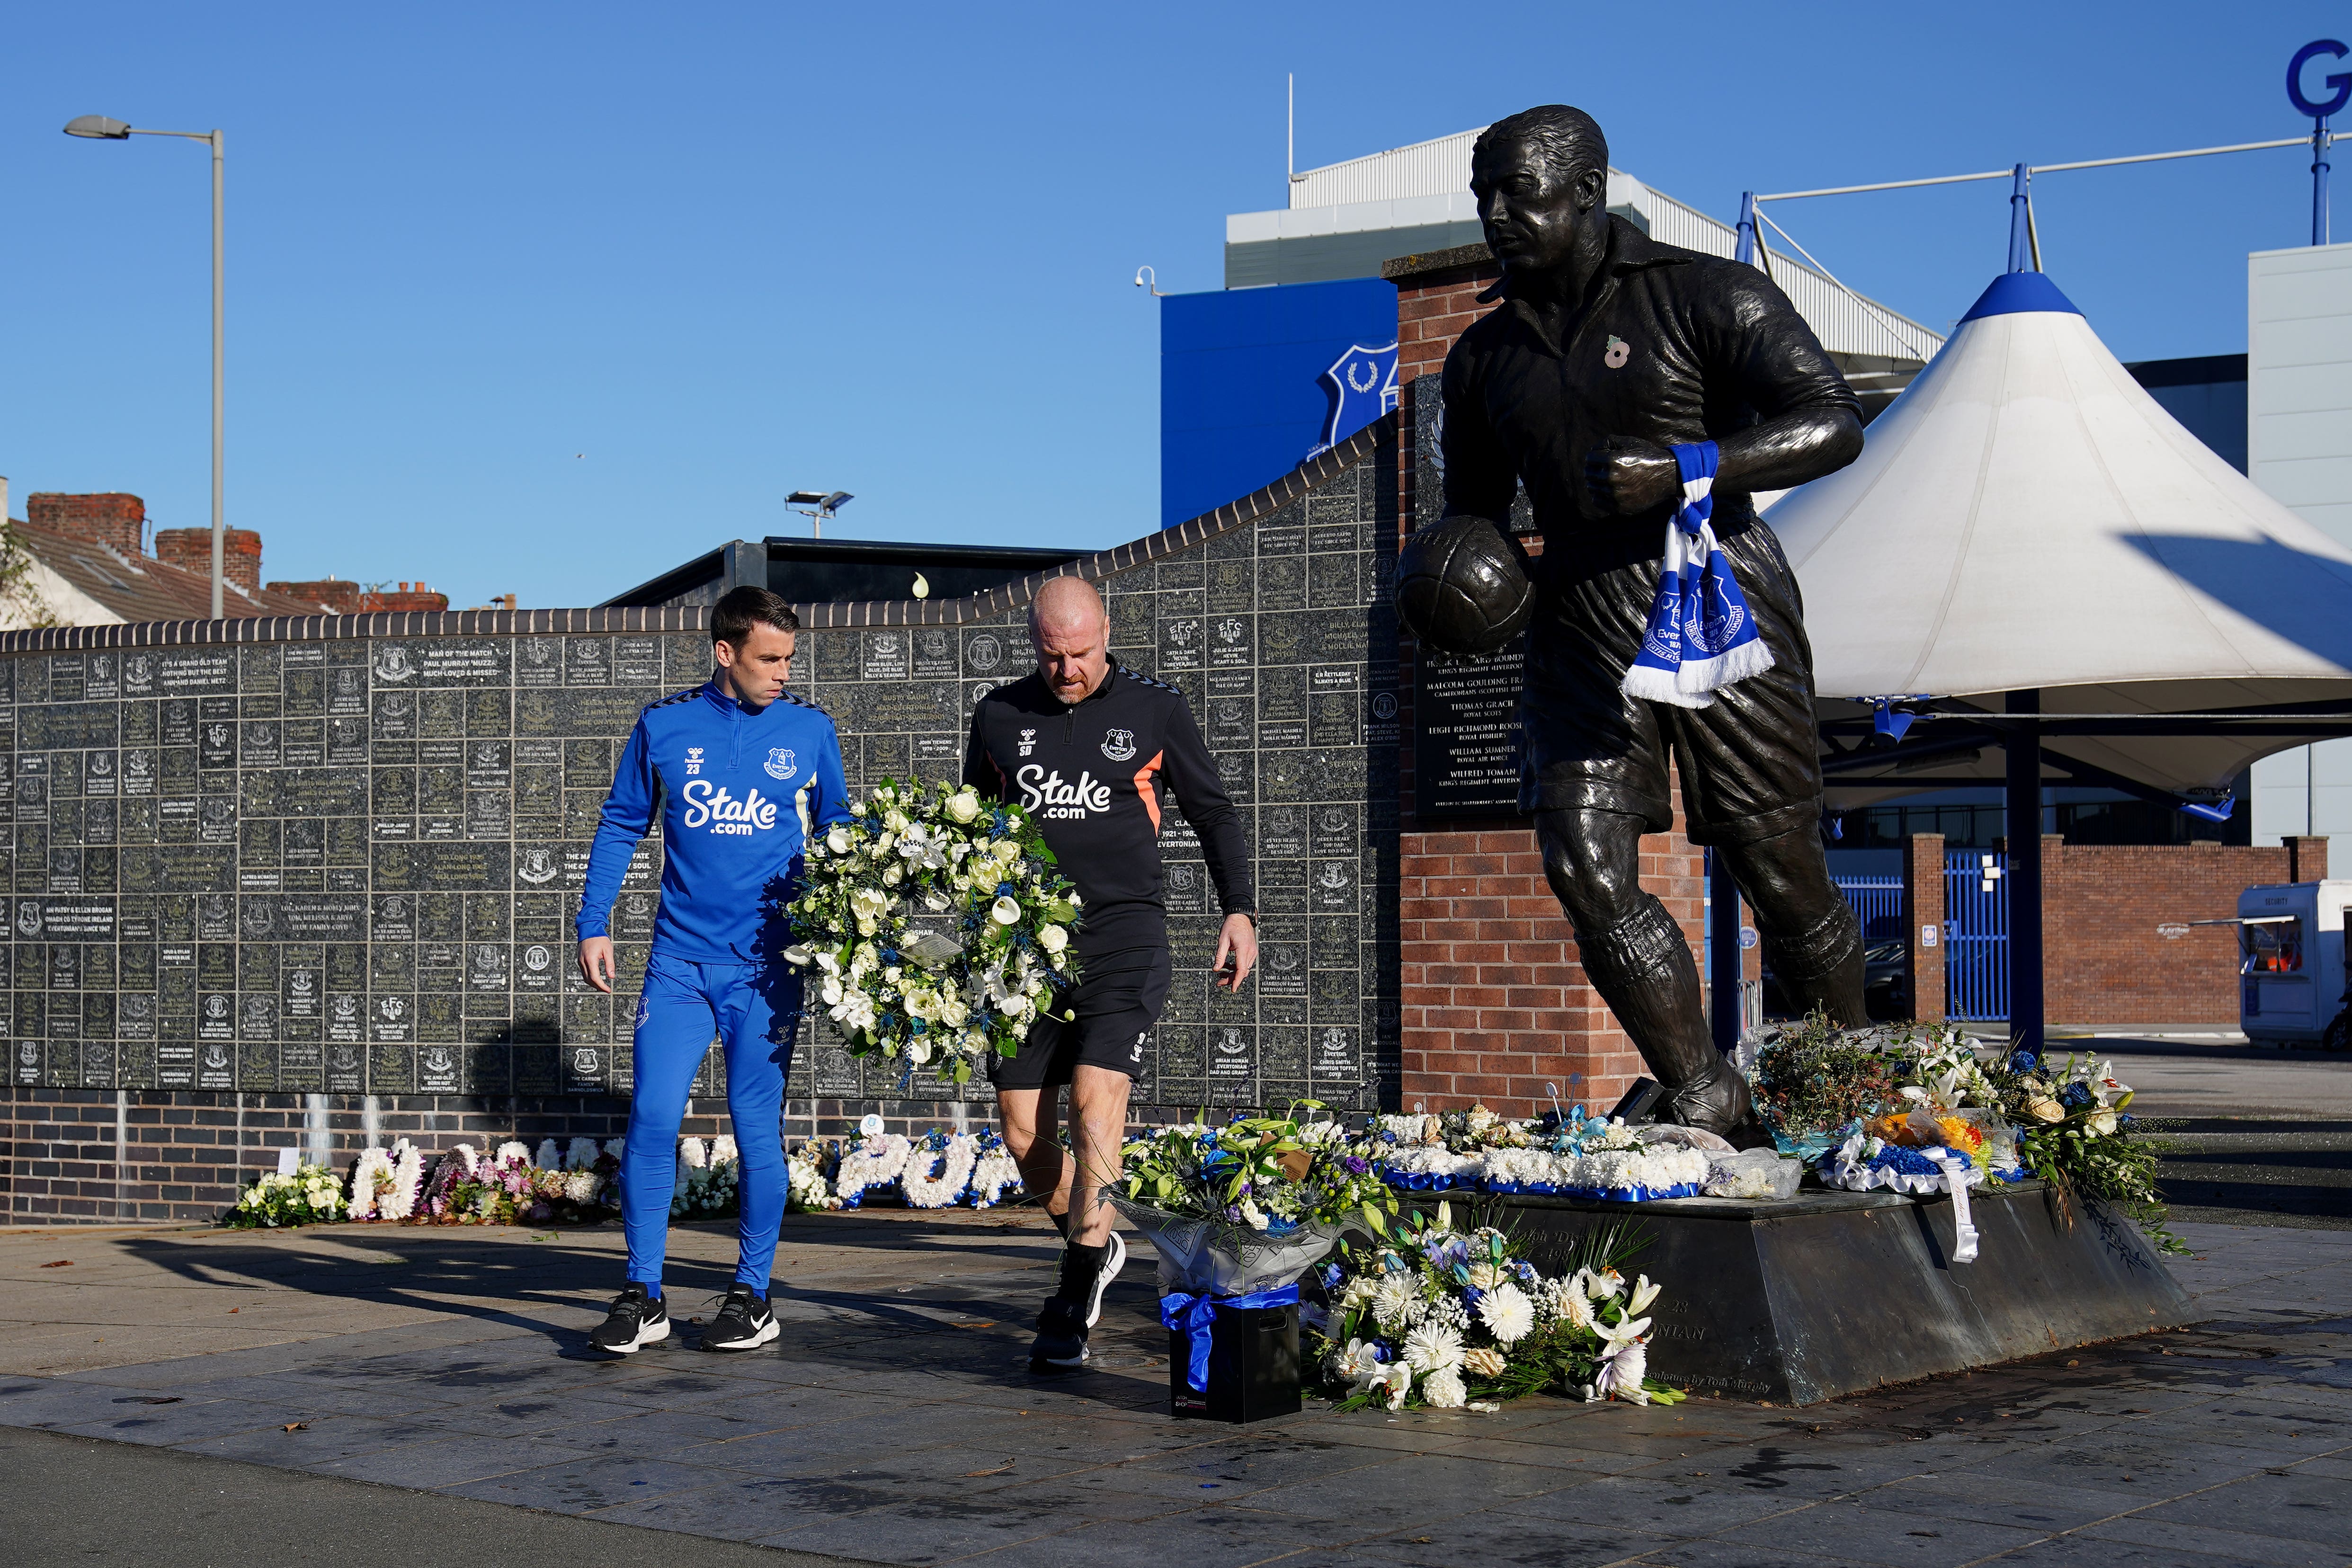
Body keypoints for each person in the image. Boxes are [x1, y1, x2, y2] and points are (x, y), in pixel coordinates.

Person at [1438, 105, 1867, 1137]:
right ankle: (1704, 1087)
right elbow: (1475, 511)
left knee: (1778, 868)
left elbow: (1835, 421)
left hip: (1716, 596)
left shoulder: (1705, 292)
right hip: (1581, 618)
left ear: (1587, 191)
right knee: (1583, 866)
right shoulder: (1483, 356)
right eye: (1483, 195)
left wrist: (1687, 466)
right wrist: (1454, 576)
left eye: (1519, 193)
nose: (1497, 214)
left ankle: (1850, 1091)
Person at [962, 574, 1257, 1371]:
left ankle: (1076, 1284)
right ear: (1034, 643)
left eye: (1082, 654)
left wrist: (1240, 910)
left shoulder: (1156, 710)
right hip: (1025, 948)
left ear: (1106, 633)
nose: (1067, 671)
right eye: (1052, 656)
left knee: (1100, 1098)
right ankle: (1096, 1243)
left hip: (1125, 933)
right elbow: (972, 830)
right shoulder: (997, 716)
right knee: (1024, 1133)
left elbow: (1213, 811)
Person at [576, 586, 850, 1354]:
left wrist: (848, 930)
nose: (782, 673)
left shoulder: (810, 730)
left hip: (768, 971)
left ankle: (753, 1296)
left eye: (790, 659)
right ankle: (644, 1294)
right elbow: (623, 820)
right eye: (769, 659)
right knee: (654, 1118)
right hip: (679, 967)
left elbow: (842, 830)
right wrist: (591, 923)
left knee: (755, 1128)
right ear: (725, 654)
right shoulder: (665, 725)